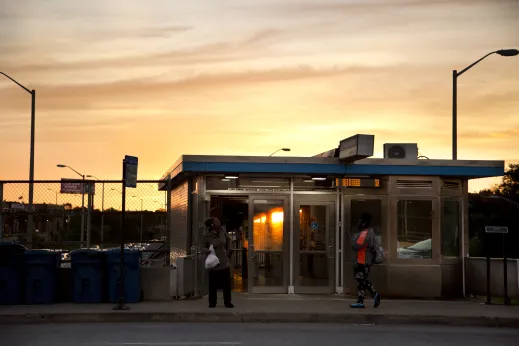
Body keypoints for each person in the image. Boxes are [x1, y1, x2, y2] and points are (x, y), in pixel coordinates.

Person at [350, 212, 381, 308]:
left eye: (360, 221)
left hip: (362, 260)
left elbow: (357, 245)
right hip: (365, 261)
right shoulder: (370, 232)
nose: (358, 223)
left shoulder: (364, 233)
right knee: (361, 281)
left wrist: (353, 237)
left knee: (360, 278)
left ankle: (374, 293)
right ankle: (360, 301)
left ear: (364, 223)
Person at [202, 217, 234, 308]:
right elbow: (202, 246)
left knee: (226, 283)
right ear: (211, 224)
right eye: (215, 222)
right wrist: (206, 250)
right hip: (213, 262)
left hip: (224, 261)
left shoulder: (223, 231)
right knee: (213, 284)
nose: (218, 223)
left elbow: (228, 240)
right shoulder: (206, 235)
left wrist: (229, 250)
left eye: (218, 221)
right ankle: (212, 302)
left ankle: (227, 302)